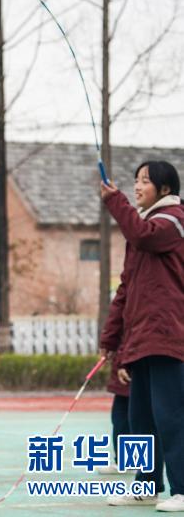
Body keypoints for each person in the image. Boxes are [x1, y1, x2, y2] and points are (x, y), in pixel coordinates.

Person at [100, 160, 184, 511]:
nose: (137, 187)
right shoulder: (143, 227)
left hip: (167, 336)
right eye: (135, 181)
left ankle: (181, 488)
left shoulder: (173, 221)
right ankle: (146, 484)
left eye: (145, 181)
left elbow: (141, 234)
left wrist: (114, 200)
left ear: (165, 189)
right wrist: (111, 340)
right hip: (140, 339)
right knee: (141, 418)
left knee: (171, 415)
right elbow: (126, 288)